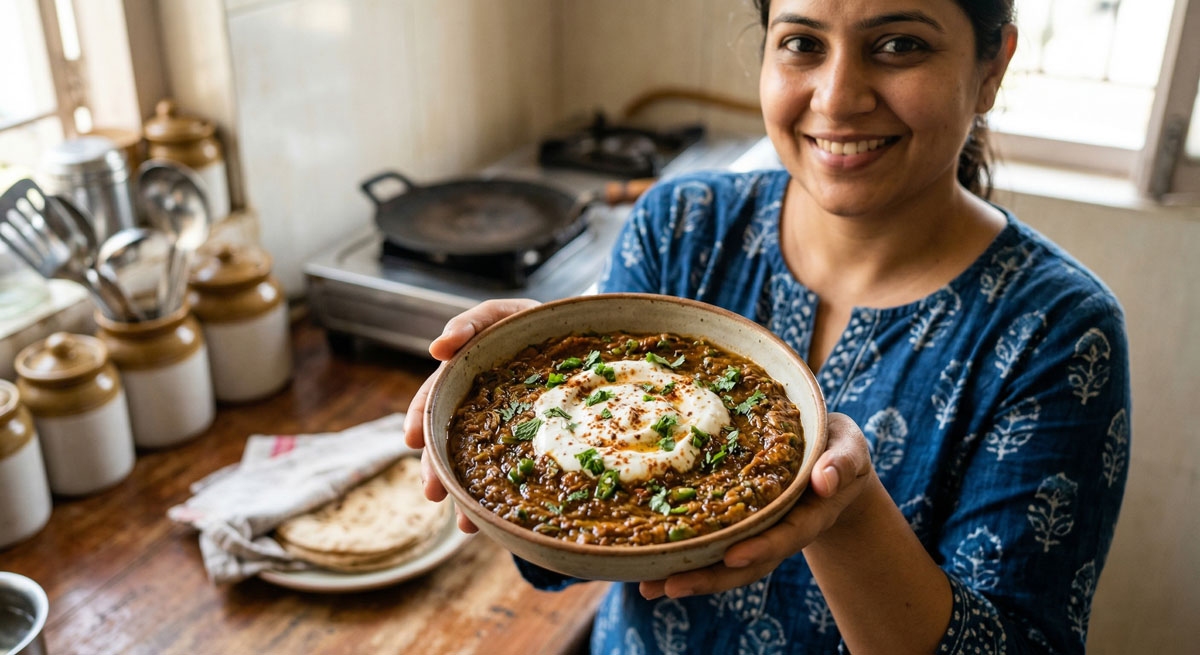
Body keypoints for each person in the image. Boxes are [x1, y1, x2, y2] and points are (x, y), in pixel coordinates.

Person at [403, 0, 1131, 652]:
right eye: (802, 43)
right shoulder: (680, 224)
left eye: (901, 44)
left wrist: (845, 514)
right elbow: (564, 556)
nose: (837, 97)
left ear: (991, 68)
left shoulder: (1060, 332)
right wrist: (531, 401)